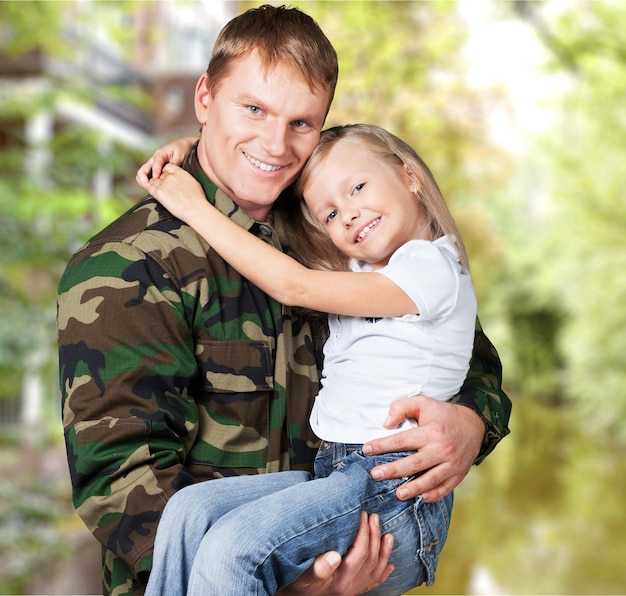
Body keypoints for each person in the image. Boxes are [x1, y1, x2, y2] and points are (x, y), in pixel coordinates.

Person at [57, 5, 511, 596]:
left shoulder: (335, 230)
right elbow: (122, 485)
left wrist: (469, 422)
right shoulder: (128, 264)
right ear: (205, 98)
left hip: (353, 538)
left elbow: (466, 348)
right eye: (253, 108)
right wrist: (279, 583)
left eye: (302, 123)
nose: (275, 142)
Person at [139, 123, 477, 596]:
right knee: (190, 513)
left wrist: (192, 205)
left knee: (235, 548)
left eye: (358, 187)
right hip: (336, 473)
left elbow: (291, 283)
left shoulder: (432, 267)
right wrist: (197, 150)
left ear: (410, 176)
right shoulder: (363, 271)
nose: (350, 214)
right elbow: (278, 249)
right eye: (332, 213)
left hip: (393, 491)